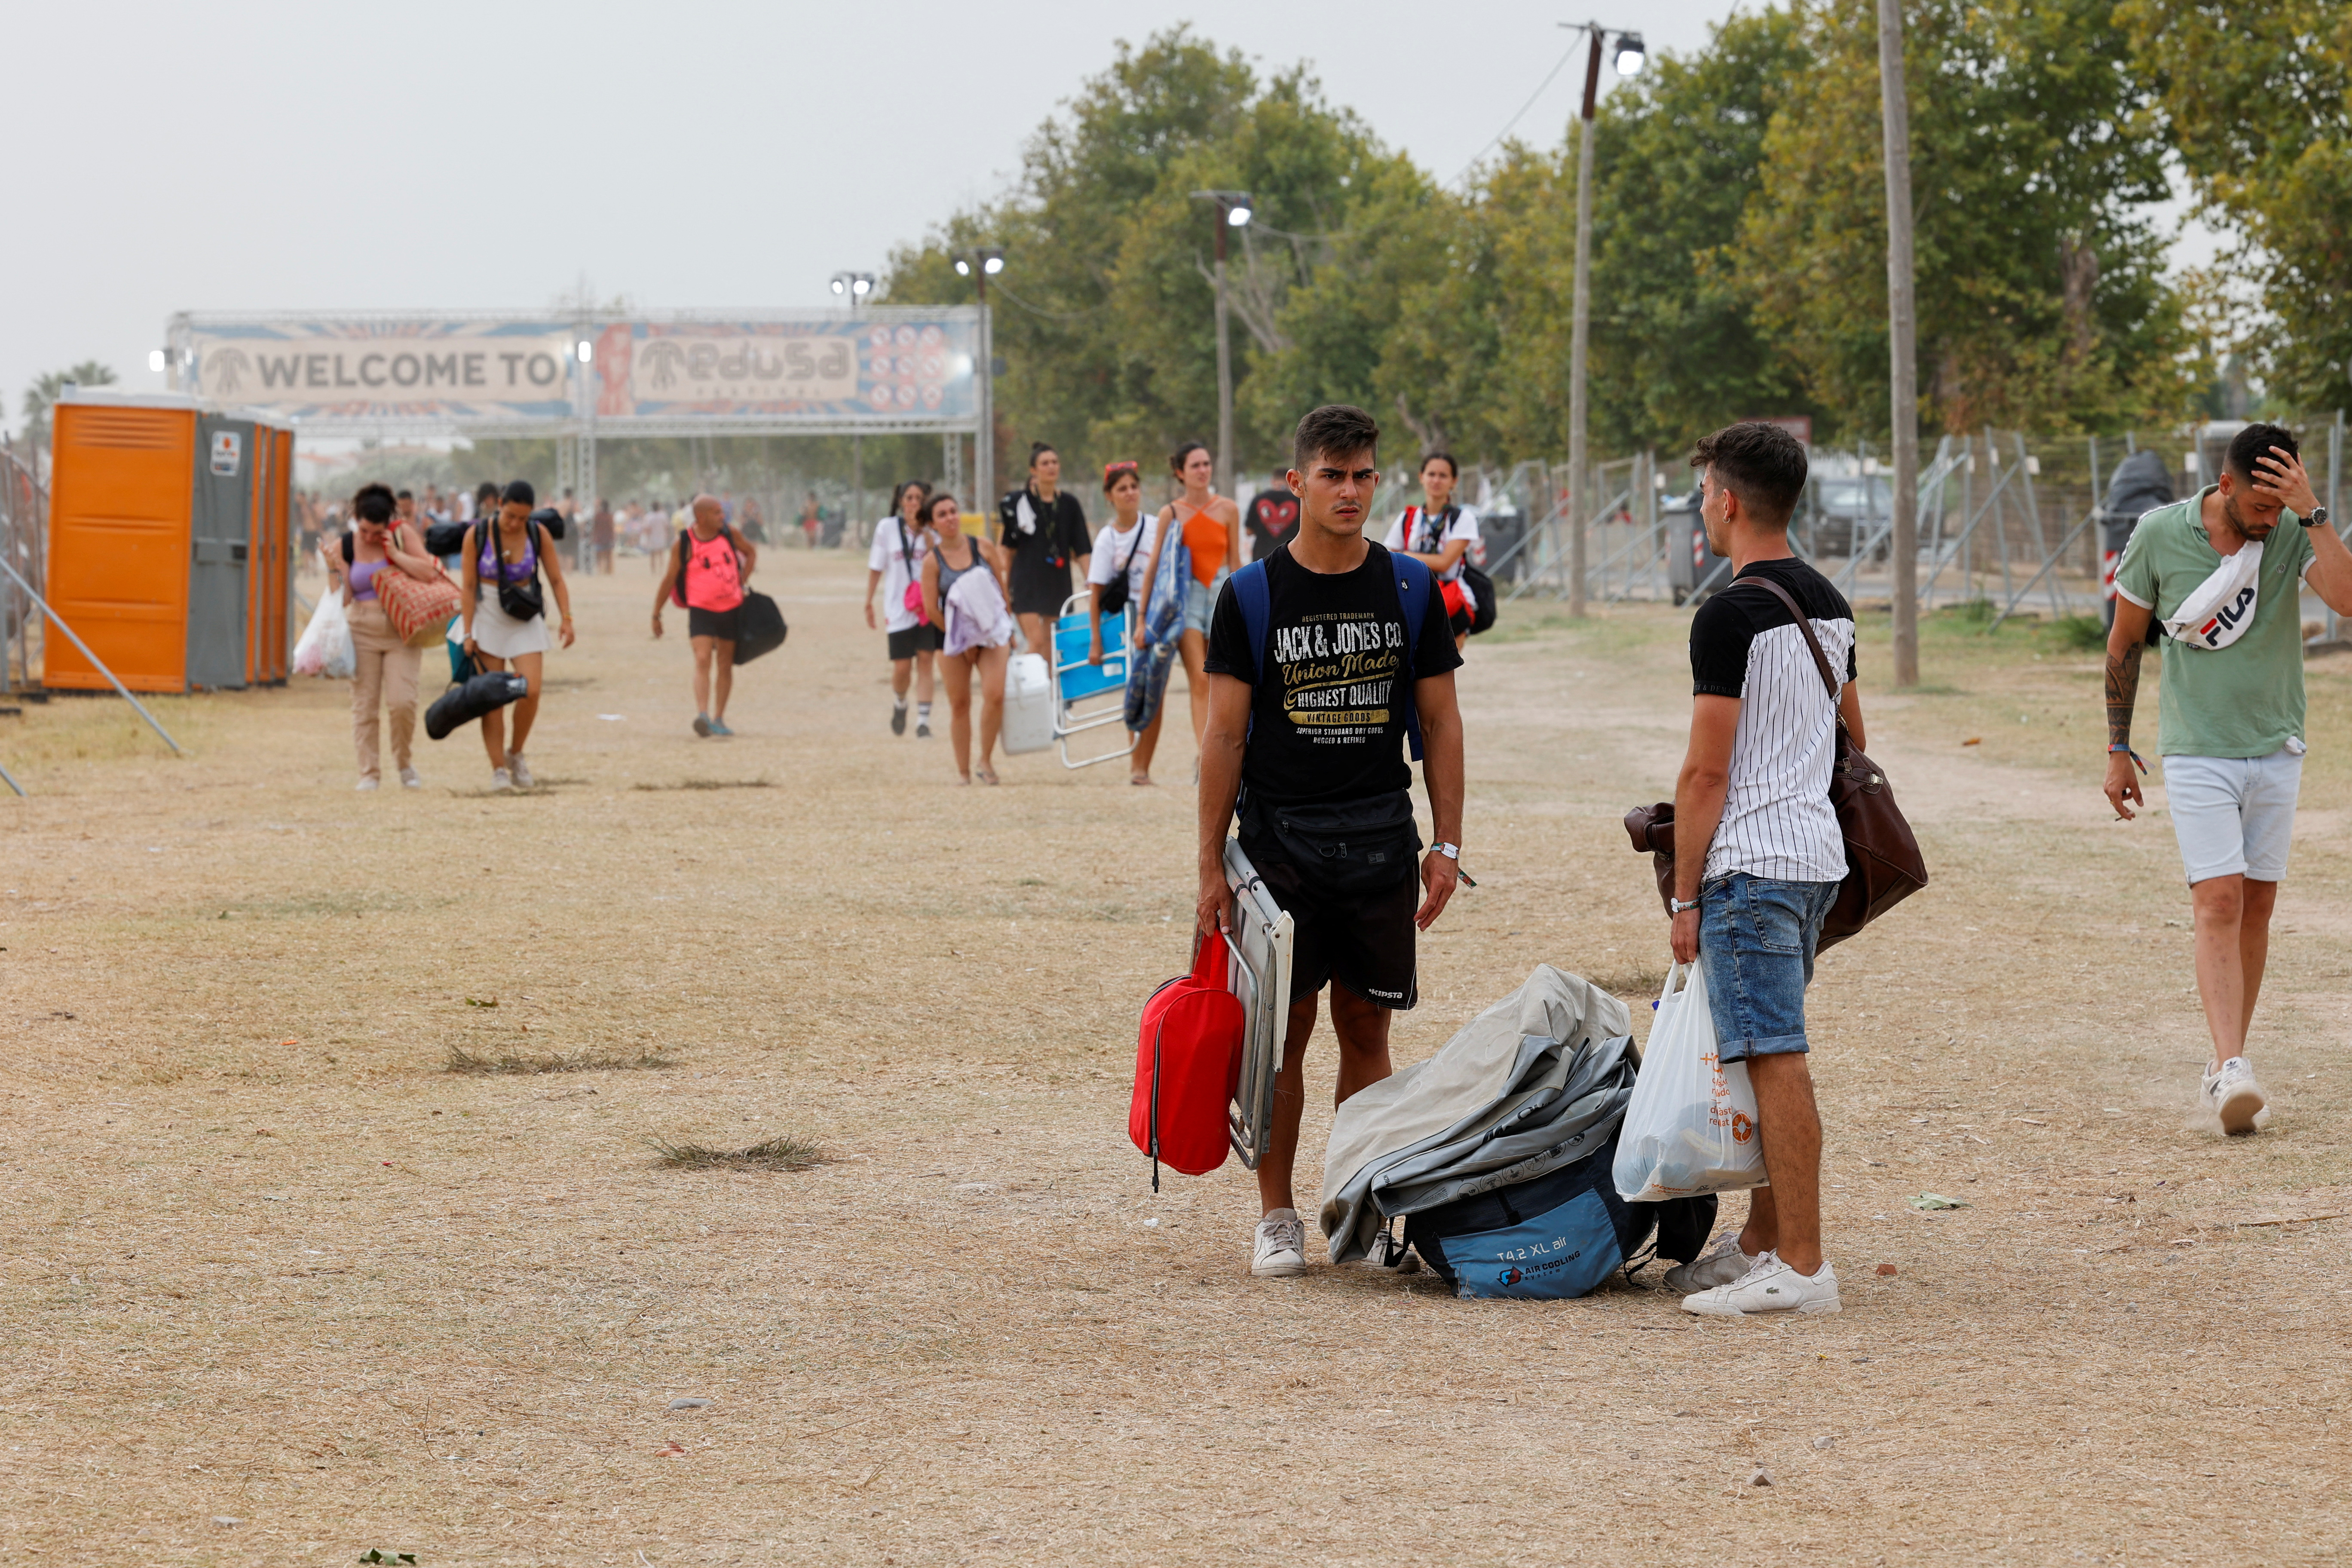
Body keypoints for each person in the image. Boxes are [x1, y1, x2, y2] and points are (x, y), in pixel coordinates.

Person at [1197, 404, 1466, 1279]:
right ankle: (1277, 1215)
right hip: (1280, 846)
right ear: (1296, 483)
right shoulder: (1250, 594)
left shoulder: (1409, 588)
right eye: (1332, 475)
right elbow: (1224, 738)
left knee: (1366, 1027)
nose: (1349, 492)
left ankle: (1358, 1202)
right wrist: (1209, 863)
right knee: (1282, 1031)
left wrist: (1448, 844)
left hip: (1381, 841)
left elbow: (1440, 719)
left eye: (1362, 476)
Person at [1659, 422, 1857, 1317]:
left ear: (1730, 502)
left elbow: (1707, 771)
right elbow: (1852, 733)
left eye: (1705, 492)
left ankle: (1805, 1268)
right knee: (1774, 1049)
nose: (1703, 506)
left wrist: (1685, 891)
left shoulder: (1728, 613)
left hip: (1752, 865)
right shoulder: (1830, 601)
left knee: (1775, 1058)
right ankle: (1764, 1243)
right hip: (1815, 857)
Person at [2105, 423, 2352, 1136]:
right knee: (2217, 897)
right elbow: (2124, 643)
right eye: (2260, 506)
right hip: (2195, 749)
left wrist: (2311, 511)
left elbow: (2346, 600)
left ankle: (2225, 1066)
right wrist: (2117, 746)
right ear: (2224, 485)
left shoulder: (2293, 526)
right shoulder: (2157, 534)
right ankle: (2232, 1061)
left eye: (2280, 507)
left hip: (2277, 744)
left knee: (2257, 904)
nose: (2267, 521)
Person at [460, 480, 576, 791]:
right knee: (493, 699)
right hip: (487, 615)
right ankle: (498, 768)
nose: (515, 524)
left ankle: (516, 753)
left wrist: (567, 618)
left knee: (531, 689)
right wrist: (468, 631)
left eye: (523, 518)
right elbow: (468, 587)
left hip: (523, 613)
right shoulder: (478, 534)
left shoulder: (538, 534)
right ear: (499, 504)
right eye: (510, 515)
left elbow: (556, 578)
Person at [1137, 441, 1242, 763]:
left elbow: (1236, 560)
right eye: (1195, 466)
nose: (1203, 471)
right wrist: (1142, 619)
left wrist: (1246, 606)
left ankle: (1218, 748)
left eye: (1206, 464)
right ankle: (1206, 755)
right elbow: (1155, 566)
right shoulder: (1171, 513)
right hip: (1186, 599)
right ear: (1180, 473)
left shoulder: (1228, 509)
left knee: (1220, 679)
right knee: (1200, 676)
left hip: (1222, 592)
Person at [341, 488, 441, 791]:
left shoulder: (402, 535)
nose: (370, 538)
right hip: (361, 628)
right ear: (355, 520)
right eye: (364, 531)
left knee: (402, 703)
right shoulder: (346, 544)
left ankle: (404, 763)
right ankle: (369, 772)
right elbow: (344, 597)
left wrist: (396, 556)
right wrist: (336, 568)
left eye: (377, 531)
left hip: (402, 629)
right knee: (365, 706)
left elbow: (429, 572)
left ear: (388, 523)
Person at [920, 492, 1014, 784]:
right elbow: (931, 608)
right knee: (960, 703)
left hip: (991, 633)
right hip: (952, 639)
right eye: (942, 515)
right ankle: (963, 771)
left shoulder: (983, 547)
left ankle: (985, 761)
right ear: (933, 524)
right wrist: (963, 640)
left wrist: (1007, 630)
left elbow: (1001, 592)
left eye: (953, 511)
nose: (950, 519)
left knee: (995, 695)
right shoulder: (932, 562)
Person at [652, 493, 759, 738]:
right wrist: (656, 613)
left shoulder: (730, 534)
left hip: (731, 608)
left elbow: (751, 553)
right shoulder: (684, 542)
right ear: (701, 517)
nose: (723, 517)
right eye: (717, 513)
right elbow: (669, 579)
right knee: (702, 659)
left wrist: (742, 582)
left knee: (724, 662)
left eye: (722, 512)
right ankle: (702, 715)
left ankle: (719, 718)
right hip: (701, 609)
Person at [1085, 460, 1166, 784]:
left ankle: (1144, 764)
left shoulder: (1156, 525)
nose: (1130, 493)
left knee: (1155, 691)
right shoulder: (1107, 538)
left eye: (1134, 486)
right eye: (1122, 489)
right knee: (1137, 692)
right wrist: (1095, 639)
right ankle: (1136, 764)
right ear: (1110, 496)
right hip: (1125, 619)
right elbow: (1096, 591)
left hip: (1157, 616)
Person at [997, 441, 1093, 655]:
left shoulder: (1070, 504)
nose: (1051, 467)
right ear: (1034, 470)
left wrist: (1091, 584)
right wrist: (1002, 584)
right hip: (1026, 582)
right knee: (1037, 642)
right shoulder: (1018, 503)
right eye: (1045, 463)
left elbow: (1083, 549)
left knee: (1053, 645)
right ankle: (1026, 685)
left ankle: (1049, 688)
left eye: (1055, 462)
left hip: (1057, 581)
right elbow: (1006, 549)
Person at [1382, 452, 1483, 652]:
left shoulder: (1463, 518)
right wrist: (1405, 556)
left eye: (1443, 476)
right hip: (1414, 598)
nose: (1436, 480)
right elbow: (1391, 558)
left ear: (1454, 481)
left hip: (1451, 600)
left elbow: (1445, 563)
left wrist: (1406, 555)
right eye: (1431, 474)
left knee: (1444, 665)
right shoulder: (1408, 517)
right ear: (1421, 477)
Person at [865, 480, 940, 738]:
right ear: (900, 502)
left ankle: (923, 721)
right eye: (909, 498)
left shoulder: (934, 530)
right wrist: (869, 601)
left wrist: (931, 544)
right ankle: (900, 702)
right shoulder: (887, 529)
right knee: (902, 668)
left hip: (928, 607)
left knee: (927, 661)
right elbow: (877, 566)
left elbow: (944, 566)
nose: (914, 503)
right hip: (899, 607)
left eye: (919, 498)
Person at [1243, 468, 1298, 560]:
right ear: (1290, 480)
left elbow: (1249, 531)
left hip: (1262, 558)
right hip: (1290, 557)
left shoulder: (1258, 499)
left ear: (1272, 481)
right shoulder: (1299, 501)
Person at [592, 497, 616, 575]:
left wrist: (593, 537)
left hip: (599, 538)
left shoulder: (598, 516)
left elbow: (595, 527)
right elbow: (612, 527)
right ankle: (608, 571)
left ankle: (600, 571)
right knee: (609, 556)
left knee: (599, 556)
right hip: (608, 538)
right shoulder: (610, 516)